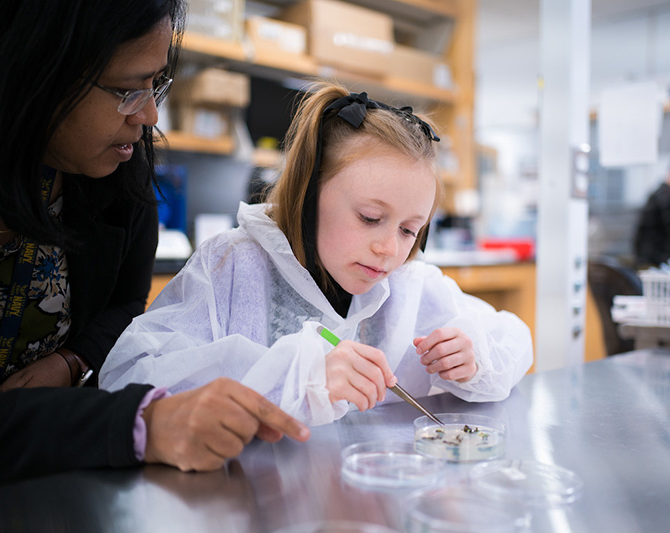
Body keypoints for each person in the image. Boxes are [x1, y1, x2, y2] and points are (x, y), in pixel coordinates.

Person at [0, 0, 309, 486]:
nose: (149, 115)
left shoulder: (118, 171)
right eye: (128, 90)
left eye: (156, 84)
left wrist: (75, 359)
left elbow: (128, 302)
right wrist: (141, 424)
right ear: (34, 71)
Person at [100, 83, 534, 426]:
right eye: (369, 218)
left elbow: (515, 339)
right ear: (309, 195)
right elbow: (128, 379)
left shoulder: (407, 285)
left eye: (408, 230)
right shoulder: (235, 266)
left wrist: (477, 358)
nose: (389, 249)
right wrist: (297, 376)